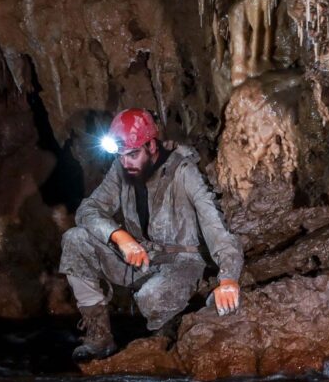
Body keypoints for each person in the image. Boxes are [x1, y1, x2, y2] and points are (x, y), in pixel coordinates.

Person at [59, 108, 243, 362]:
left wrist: (229, 278)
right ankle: (99, 337)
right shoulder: (121, 169)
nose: (126, 163)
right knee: (75, 240)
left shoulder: (184, 171)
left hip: (183, 263)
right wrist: (119, 236)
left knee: (151, 298)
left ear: (152, 146)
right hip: (141, 257)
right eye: (121, 156)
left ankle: (169, 331)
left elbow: (216, 227)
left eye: (133, 154)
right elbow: (88, 210)